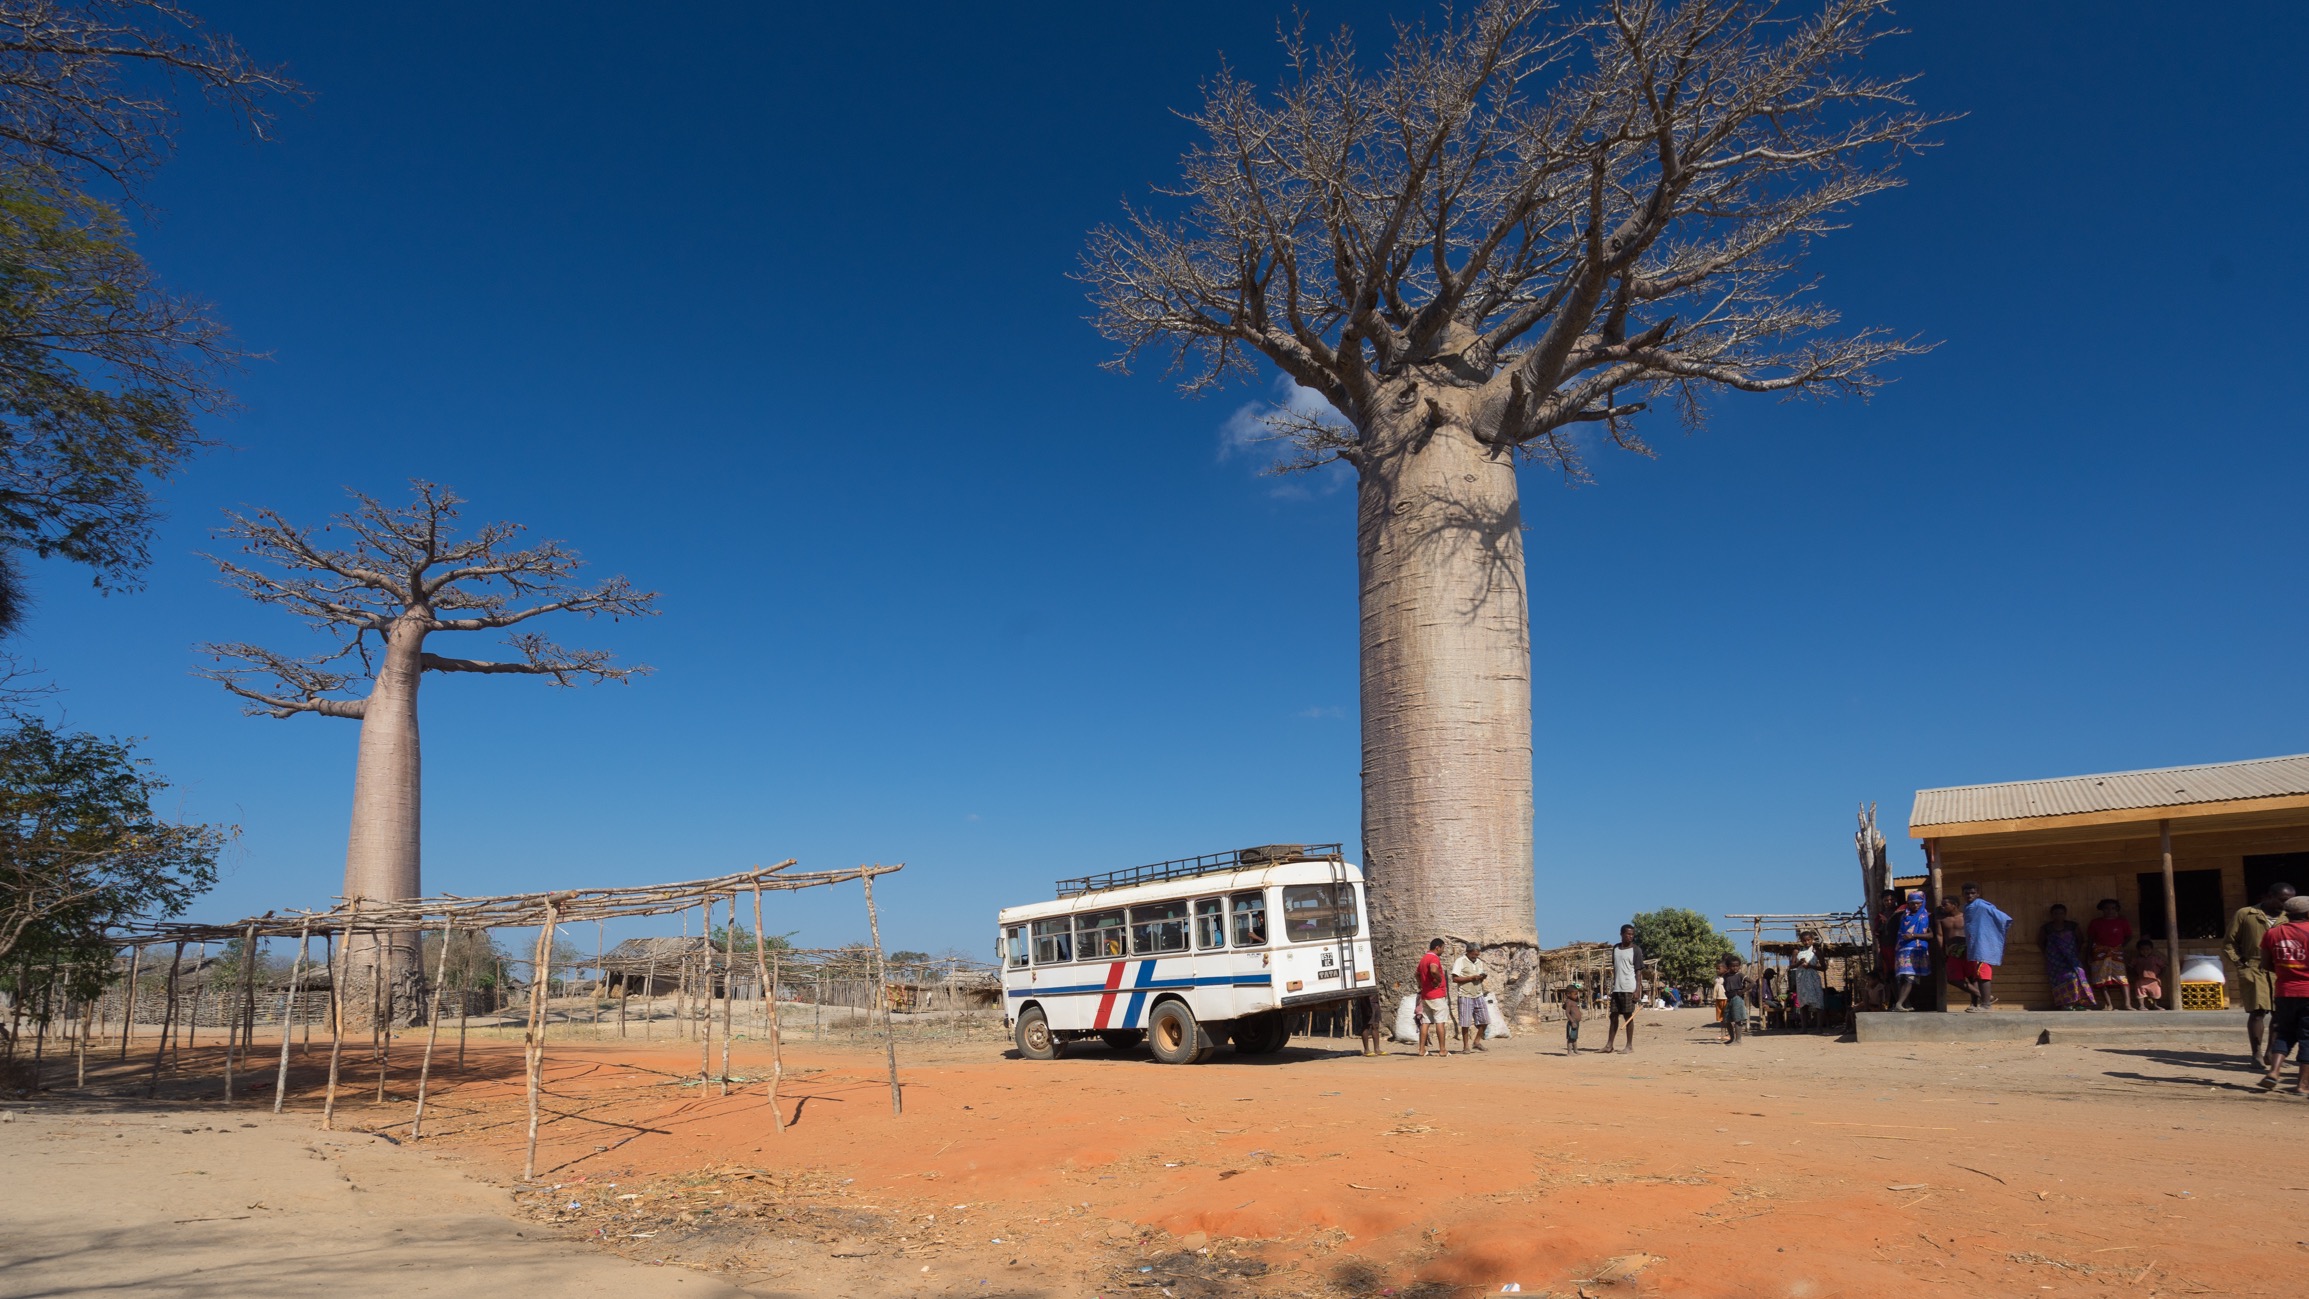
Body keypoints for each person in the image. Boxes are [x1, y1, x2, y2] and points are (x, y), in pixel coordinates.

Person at [2228, 883, 2296, 1066]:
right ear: (2269, 896)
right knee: (2257, 1012)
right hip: (2253, 967)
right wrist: (2240, 963)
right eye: (2282, 900)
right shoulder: (2245, 914)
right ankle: (2256, 1054)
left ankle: (2271, 1053)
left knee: (2279, 1013)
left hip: (2281, 968)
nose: (2286, 903)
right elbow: (2229, 942)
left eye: (2289, 900)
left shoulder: (2291, 917)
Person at [2257, 895, 2309, 1096]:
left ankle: (2274, 1072)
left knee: (2284, 1032)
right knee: (2307, 1037)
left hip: (2284, 991)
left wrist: (2285, 970)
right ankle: (2303, 1085)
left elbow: (2266, 964)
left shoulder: (2272, 933)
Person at [1961, 883, 2012, 1012]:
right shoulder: (1967, 908)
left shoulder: (1982, 906)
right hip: (1974, 947)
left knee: (1983, 975)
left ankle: (1986, 1005)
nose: (1970, 895)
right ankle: (1976, 1004)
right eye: (1967, 893)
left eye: (1973, 893)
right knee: (1975, 976)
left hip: (1983, 947)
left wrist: (1988, 934)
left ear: (1978, 894)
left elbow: (2004, 919)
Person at [2039, 903, 2097, 1011]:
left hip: (2072, 957)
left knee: (2077, 976)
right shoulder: (2047, 928)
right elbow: (2041, 942)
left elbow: (2080, 940)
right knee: (2061, 980)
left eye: (2061, 913)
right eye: (2056, 913)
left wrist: (2075, 953)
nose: (2058, 915)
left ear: (2065, 914)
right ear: (2052, 914)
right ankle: (2066, 1003)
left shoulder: (2072, 926)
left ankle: (2080, 1002)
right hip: (2055, 960)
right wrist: (2049, 954)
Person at [1604, 923, 1649, 1054]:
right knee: (1613, 1016)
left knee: (1628, 1017)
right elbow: (1615, 967)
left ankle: (1629, 1046)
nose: (1630, 936)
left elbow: (1639, 972)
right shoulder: (1616, 949)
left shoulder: (1636, 950)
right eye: (1628, 934)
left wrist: (1637, 990)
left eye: (1632, 934)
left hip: (1629, 987)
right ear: (1622, 934)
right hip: (1617, 988)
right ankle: (1609, 1045)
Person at [2085, 898, 2135, 1010]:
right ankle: (2109, 1004)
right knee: (2101, 978)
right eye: (2106, 908)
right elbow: (2090, 940)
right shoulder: (2095, 922)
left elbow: (2129, 936)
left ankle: (2127, 1004)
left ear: (2117, 909)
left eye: (2113, 908)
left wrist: (2120, 946)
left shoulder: (2122, 922)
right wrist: (2088, 955)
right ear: (2102, 909)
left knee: (2122, 978)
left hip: (2116, 952)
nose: (2110, 910)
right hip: (2099, 952)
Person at [1890, 891, 1932, 1011]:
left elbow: (1931, 935)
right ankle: (1904, 1003)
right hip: (1902, 950)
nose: (1915, 906)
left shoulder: (1927, 917)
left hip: (1917, 950)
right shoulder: (1903, 916)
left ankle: (1899, 1003)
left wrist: (1914, 935)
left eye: (1918, 903)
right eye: (1912, 903)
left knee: (1910, 977)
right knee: (1902, 977)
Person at [1450, 942, 1490, 1052]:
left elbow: (1479, 977)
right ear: (1468, 952)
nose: (1475, 957)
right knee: (1465, 1022)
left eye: (1477, 955)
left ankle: (1477, 1042)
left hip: (1478, 994)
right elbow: (1455, 979)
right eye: (1474, 954)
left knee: (1485, 1020)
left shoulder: (1479, 963)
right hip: (1465, 995)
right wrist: (1471, 978)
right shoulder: (1460, 961)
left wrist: (1481, 978)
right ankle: (1466, 1046)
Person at [1415, 938, 1451, 1057]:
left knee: (1425, 1022)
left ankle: (1421, 1050)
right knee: (1440, 1021)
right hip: (1436, 995)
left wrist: (1421, 985)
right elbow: (1434, 970)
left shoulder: (1423, 958)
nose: (1443, 951)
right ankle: (1442, 1050)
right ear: (1438, 947)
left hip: (1426, 995)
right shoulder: (1434, 958)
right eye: (1443, 948)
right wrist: (1439, 980)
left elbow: (1417, 974)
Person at [1934, 900, 1970, 1009]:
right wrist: (1942, 952)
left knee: (1973, 977)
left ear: (1954, 905)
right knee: (1953, 979)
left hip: (1968, 950)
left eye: (1945, 905)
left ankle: (1975, 1003)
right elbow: (1940, 936)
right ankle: (1981, 995)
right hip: (1952, 951)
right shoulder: (1942, 920)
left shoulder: (1965, 917)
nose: (1942, 907)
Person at [1790, 929, 1827, 1033]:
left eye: (1808, 940)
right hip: (1802, 980)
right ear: (1801, 941)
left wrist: (1810, 966)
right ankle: (1804, 1028)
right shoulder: (1797, 952)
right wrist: (1799, 964)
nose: (1806, 942)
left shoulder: (1816, 952)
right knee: (1803, 1004)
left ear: (1812, 940)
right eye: (1804, 940)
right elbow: (1791, 966)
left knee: (1818, 1003)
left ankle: (1819, 1027)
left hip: (1813, 979)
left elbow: (1824, 968)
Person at [2127, 938, 2165, 1008]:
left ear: (2151, 949)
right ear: (2139, 950)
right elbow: (2130, 967)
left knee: (2156, 992)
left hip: (2154, 980)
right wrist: (2134, 974)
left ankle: (2155, 1005)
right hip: (2141, 979)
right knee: (2140, 992)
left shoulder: (2155, 958)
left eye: (2147, 949)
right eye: (2142, 950)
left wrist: (2159, 975)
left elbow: (2163, 966)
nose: (2145, 951)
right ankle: (2142, 1005)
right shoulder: (2136, 959)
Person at [1719, 956, 1748, 1045]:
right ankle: (1732, 1038)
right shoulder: (1725, 976)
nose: (1735, 968)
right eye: (1733, 966)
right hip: (1729, 999)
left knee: (1737, 1020)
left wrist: (1742, 991)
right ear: (1728, 967)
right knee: (1726, 1020)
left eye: (1737, 966)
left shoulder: (1740, 975)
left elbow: (1752, 983)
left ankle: (1738, 1040)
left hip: (1737, 999)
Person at [1561, 981, 1585, 1055]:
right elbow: (1567, 1013)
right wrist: (1572, 1022)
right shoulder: (1569, 1002)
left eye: (1576, 994)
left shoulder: (1574, 1001)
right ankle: (1569, 1052)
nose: (1576, 996)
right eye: (1574, 994)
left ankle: (1575, 1050)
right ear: (1568, 994)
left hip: (1576, 1022)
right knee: (1571, 1038)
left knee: (1575, 1037)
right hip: (1572, 1022)